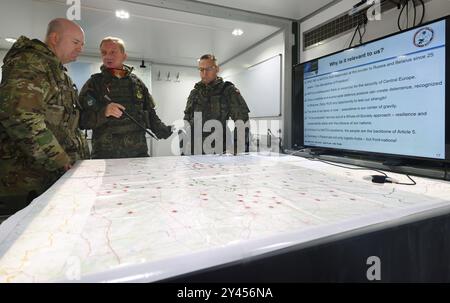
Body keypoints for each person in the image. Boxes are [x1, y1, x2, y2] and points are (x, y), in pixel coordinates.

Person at [0, 18, 89, 214]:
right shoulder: (30, 63)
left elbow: (66, 123)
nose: (80, 49)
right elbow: (21, 116)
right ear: (55, 38)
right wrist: (59, 159)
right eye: (76, 42)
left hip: (51, 176)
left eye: (82, 44)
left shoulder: (56, 71)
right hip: (27, 180)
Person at [79, 37, 173, 159]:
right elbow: (80, 120)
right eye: (104, 52)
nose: (108, 56)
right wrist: (104, 112)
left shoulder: (137, 83)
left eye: (113, 52)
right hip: (106, 156)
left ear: (124, 56)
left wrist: (166, 130)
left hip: (138, 154)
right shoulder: (94, 84)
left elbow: (149, 114)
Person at [182, 54, 250, 155]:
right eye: (201, 70)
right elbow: (187, 119)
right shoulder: (195, 93)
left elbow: (242, 120)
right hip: (193, 151)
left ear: (217, 69)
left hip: (217, 151)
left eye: (208, 69)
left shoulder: (227, 90)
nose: (204, 73)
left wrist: (237, 146)